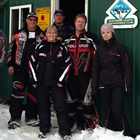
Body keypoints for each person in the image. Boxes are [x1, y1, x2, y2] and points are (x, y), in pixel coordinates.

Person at [28, 25, 72, 140]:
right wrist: (34, 79)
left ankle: (65, 131)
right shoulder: (40, 46)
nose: (52, 34)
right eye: (49, 33)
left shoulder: (62, 47)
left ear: (57, 34)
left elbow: (68, 64)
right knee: (43, 107)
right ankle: (44, 129)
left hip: (57, 84)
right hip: (42, 83)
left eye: (54, 32)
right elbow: (31, 63)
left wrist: (62, 80)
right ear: (46, 34)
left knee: (61, 107)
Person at [92, 23, 132, 136]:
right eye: (103, 33)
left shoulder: (120, 47)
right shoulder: (99, 50)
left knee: (117, 109)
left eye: (107, 32)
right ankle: (111, 134)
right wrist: (94, 87)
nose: (105, 35)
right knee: (108, 111)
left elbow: (127, 67)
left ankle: (125, 134)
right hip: (104, 84)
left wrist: (128, 84)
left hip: (117, 83)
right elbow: (95, 69)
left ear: (112, 33)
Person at [7, 12, 46, 129]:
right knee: (17, 94)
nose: (32, 22)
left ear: (37, 21)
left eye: (34, 20)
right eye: (30, 19)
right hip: (20, 69)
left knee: (33, 95)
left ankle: (31, 117)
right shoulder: (18, 34)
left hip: (35, 71)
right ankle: (15, 118)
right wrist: (10, 64)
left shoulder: (42, 36)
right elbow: (11, 50)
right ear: (27, 21)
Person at [64, 13, 100, 130]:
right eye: (78, 21)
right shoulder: (67, 38)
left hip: (86, 76)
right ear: (74, 23)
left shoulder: (91, 38)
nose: (80, 24)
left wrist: (96, 73)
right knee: (70, 100)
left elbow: (99, 56)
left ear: (85, 24)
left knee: (87, 101)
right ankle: (72, 122)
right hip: (70, 76)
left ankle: (89, 123)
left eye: (82, 22)